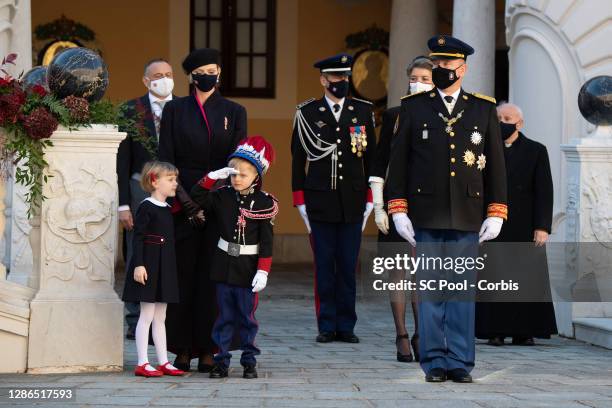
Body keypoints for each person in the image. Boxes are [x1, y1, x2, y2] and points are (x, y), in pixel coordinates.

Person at [386, 35, 507, 383]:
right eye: (436, 65)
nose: (440, 71)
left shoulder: (483, 108)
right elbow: (400, 163)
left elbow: (496, 166)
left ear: (463, 69)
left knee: (461, 293)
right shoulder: (414, 107)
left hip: (468, 214)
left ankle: (460, 361)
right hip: (425, 213)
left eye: (446, 66)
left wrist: (496, 212)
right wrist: (398, 209)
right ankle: (434, 361)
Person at [159, 47, 247, 372]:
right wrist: (188, 202)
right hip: (182, 202)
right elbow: (166, 159)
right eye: (203, 70)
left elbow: (238, 161)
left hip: (220, 202)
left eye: (215, 69)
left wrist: (212, 200)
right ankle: (182, 347)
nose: (210, 74)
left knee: (213, 279)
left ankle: (211, 348)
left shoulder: (234, 111)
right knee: (183, 276)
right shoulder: (174, 110)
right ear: (192, 76)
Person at [291, 53, 376, 344]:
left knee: (348, 265)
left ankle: (346, 325)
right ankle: (326, 324)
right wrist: (299, 199)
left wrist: (370, 198)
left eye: (345, 77)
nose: (341, 82)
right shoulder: (307, 112)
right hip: (320, 201)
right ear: (323, 80)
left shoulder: (363, 111)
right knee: (325, 265)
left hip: (352, 201)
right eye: (336, 78)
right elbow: (297, 160)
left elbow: (372, 159)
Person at [191, 136, 277, 379]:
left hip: (248, 269)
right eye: (234, 173)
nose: (237, 178)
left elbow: (267, 242)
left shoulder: (264, 203)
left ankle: (249, 360)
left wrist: (263, 271)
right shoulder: (222, 196)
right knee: (224, 317)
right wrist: (212, 178)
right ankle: (221, 361)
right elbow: (196, 197)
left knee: (247, 318)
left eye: (244, 174)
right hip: (223, 266)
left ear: (257, 177)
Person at [476, 102, 557, 346]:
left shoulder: (536, 150)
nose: (502, 122)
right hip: (494, 224)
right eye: (498, 118)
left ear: (519, 123)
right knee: (495, 276)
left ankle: (525, 330)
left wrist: (542, 226)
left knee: (525, 279)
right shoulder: (486, 150)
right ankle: (495, 330)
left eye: (507, 118)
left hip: (525, 225)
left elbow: (545, 191)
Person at [370, 56, 434, 363]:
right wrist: (379, 206)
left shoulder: (441, 116)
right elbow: (380, 163)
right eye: (415, 77)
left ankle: (424, 334)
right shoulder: (395, 115)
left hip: (428, 205)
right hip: (397, 204)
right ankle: (401, 335)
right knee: (399, 273)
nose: (418, 82)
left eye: (426, 78)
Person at [118, 58, 175, 340]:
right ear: (145, 80)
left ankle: (167, 321)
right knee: (137, 254)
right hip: (140, 189)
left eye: (168, 74)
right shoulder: (130, 110)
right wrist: (123, 204)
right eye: (157, 75)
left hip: (175, 190)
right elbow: (122, 161)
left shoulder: (183, 108)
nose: (163, 79)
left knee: (169, 255)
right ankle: (134, 320)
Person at [122, 161, 185, 378]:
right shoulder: (146, 206)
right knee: (146, 315)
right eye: (171, 179)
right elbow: (138, 238)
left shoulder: (168, 209)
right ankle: (142, 362)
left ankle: (164, 361)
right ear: (154, 181)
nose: (175, 183)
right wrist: (139, 265)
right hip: (148, 266)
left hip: (164, 266)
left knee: (161, 316)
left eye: (175, 179)